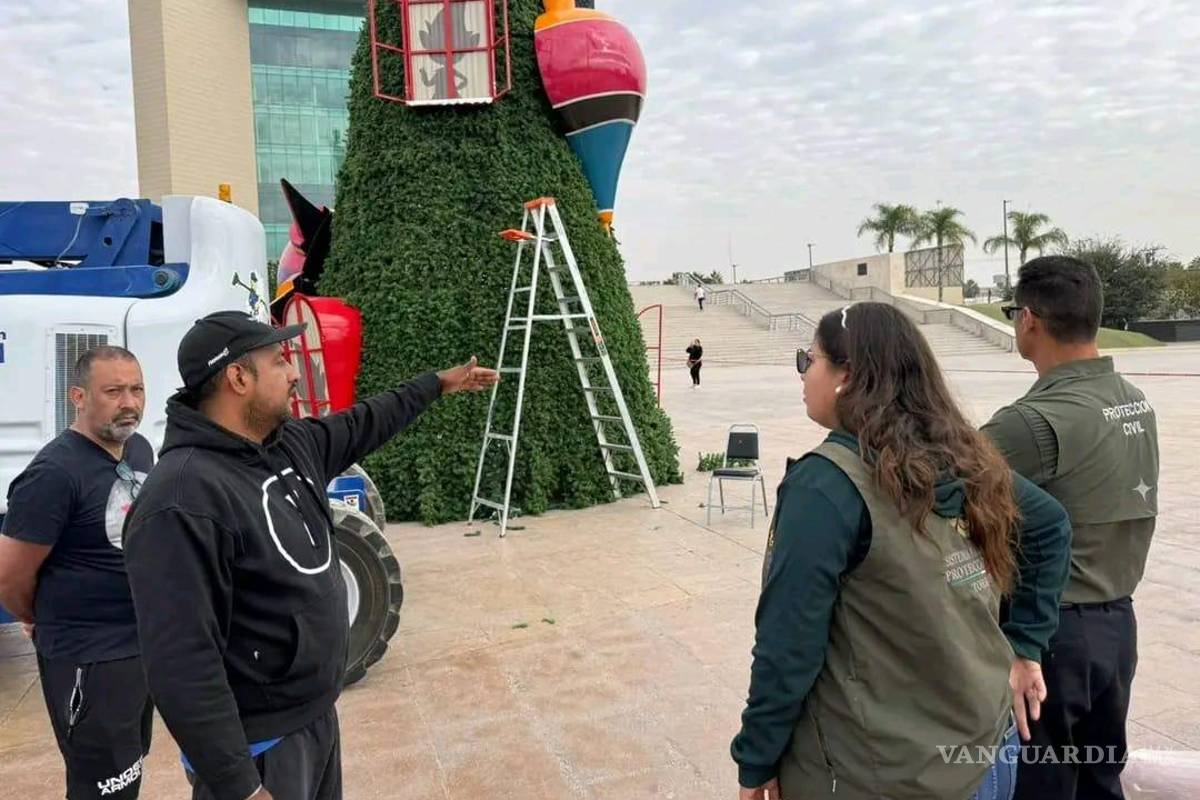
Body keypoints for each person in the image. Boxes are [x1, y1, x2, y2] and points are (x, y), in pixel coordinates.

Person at [122, 311, 498, 800]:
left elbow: (367, 420)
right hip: (258, 746)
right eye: (279, 361)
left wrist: (435, 385)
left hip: (314, 717)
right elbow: (181, 664)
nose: (294, 372)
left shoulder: (288, 445)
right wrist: (240, 786)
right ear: (238, 377)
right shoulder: (182, 499)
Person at [731, 303, 1072, 800]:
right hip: (986, 753)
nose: (804, 375)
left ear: (848, 375)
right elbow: (1051, 525)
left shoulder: (825, 487)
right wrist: (1025, 644)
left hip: (891, 776)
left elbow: (787, 647)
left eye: (810, 360)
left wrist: (756, 758)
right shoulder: (961, 454)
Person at [982, 256, 1159, 800]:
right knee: (1100, 779)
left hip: (1053, 635)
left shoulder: (1033, 421)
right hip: (1117, 627)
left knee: (1040, 782)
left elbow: (944, 476)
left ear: (1029, 319)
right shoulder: (1136, 401)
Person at [0, 346, 154, 799]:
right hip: (89, 658)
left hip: (140, 651)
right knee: (103, 787)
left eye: (136, 389)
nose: (129, 402)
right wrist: (38, 616)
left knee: (130, 770)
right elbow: (10, 576)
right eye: (113, 391)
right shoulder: (53, 473)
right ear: (79, 396)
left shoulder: (139, 450)